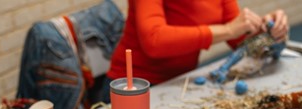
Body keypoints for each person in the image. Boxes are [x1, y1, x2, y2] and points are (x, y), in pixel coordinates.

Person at [103, 0, 288, 101]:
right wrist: (229, 30)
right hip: (133, 86)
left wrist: (269, 30)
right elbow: (154, 40)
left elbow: (239, 38)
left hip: (179, 84)